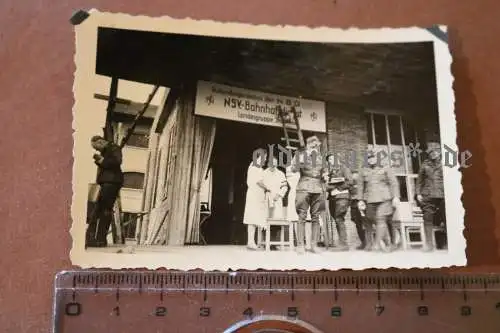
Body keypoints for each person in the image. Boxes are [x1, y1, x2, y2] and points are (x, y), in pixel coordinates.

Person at [356, 150, 400, 252]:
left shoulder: (385, 168)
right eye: (369, 158)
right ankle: (388, 241)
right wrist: (360, 200)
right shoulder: (363, 170)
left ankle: (379, 244)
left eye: (373, 157)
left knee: (381, 218)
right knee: (370, 218)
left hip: (385, 198)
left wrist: (396, 197)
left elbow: (393, 183)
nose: (371, 160)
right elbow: (360, 186)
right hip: (370, 199)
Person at [290, 135, 327, 254]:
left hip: (317, 187)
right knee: (302, 216)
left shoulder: (320, 158)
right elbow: (293, 169)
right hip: (304, 187)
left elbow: (324, 172)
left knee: (315, 216)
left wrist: (325, 176)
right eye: (315, 145)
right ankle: (300, 245)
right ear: (309, 145)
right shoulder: (300, 154)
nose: (316, 148)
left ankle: (314, 245)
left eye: (317, 146)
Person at [86, 135, 124, 248]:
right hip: (107, 183)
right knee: (100, 210)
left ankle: (99, 239)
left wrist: (102, 160)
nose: (96, 150)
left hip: (111, 182)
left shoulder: (114, 148)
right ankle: (97, 239)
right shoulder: (108, 150)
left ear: (101, 142)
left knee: (103, 210)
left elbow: (117, 162)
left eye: (96, 147)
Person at [416, 142, 446, 251]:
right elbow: (419, 181)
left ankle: (448, 242)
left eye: (435, 151)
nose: (433, 154)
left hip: (443, 195)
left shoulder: (446, 163)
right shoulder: (425, 164)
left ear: (439, 152)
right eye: (431, 152)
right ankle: (429, 245)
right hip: (428, 195)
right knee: (427, 218)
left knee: (447, 217)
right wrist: (418, 193)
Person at [324, 153, 354, 251]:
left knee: (339, 218)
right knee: (336, 219)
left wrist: (338, 188)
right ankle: (342, 243)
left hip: (342, 196)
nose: (332, 161)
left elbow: (350, 182)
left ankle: (344, 244)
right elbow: (327, 185)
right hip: (333, 198)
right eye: (330, 160)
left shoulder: (344, 168)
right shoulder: (330, 172)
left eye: (333, 159)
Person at [242, 148, 269, 250]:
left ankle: (253, 242)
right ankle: (251, 242)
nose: (265, 159)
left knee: (255, 219)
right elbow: (259, 181)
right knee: (252, 219)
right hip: (254, 194)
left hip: (257, 194)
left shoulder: (256, 166)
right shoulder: (255, 166)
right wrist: (268, 188)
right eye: (265, 157)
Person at [349, 171, 366, 250]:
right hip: (353, 206)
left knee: (365, 224)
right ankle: (364, 242)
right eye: (353, 177)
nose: (354, 178)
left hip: (362, 204)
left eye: (356, 177)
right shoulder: (350, 186)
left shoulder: (363, 185)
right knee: (358, 224)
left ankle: (370, 242)